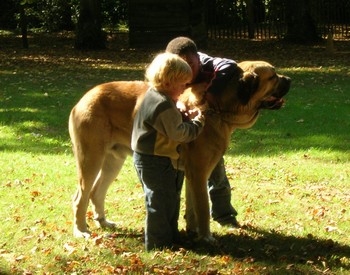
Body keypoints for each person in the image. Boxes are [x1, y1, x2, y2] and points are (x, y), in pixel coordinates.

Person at [132, 52, 205, 251]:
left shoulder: (156, 95)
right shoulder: (161, 104)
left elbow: (171, 120)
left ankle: (171, 236)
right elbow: (179, 133)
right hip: (155, 160)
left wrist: (180, 112)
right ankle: (158, 245)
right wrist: (198, 122)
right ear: (168, 82)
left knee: (171, 199)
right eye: (182, 84)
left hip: (163, 158)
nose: (184, 90)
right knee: (159, 202)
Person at [166, 36, 239, 227]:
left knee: (216, 172)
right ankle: (185, 221)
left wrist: (209, 92)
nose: (188, 70)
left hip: (207, 130)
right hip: (177, 131)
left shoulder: (211, 65)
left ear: (199, 58)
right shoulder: (166, 70)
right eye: (182, 65)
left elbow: (230, 65)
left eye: (191, 63)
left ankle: (224, 216)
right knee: (175, 176)